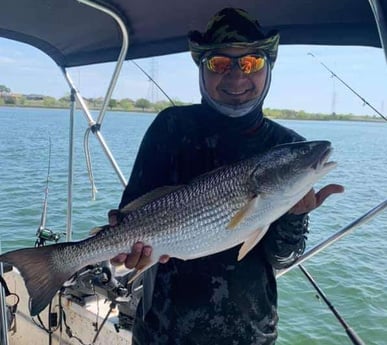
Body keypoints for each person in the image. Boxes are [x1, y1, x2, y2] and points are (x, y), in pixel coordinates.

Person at [110, 8, 344, 345]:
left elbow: (282, 257)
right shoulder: (171, 127)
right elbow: (132, 217)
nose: (236, 77)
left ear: (268, 68)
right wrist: (125, 247)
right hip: (162, 330)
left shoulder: (288, 145)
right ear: (202, 69)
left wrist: (296, 216)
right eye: (220, 63)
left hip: (249, 333)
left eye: (251, 63)